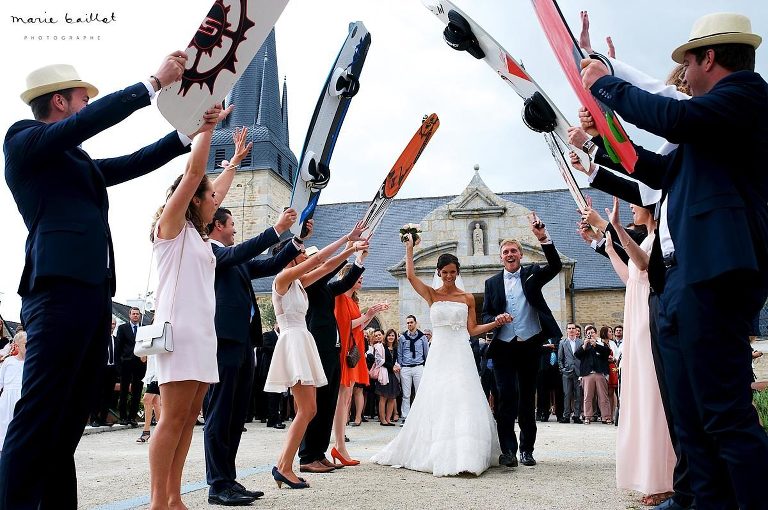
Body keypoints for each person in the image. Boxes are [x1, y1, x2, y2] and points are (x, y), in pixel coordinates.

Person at [581, 12, 768, 509]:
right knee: (689, 416)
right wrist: (600, 139)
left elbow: (674, 117)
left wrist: (608, 86)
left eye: (687, 60)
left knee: (724, 415)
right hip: (682, 279)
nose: (682, 72)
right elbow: (650, 168)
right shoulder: (706, 130)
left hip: (715, 273)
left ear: (710, 57)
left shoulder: (747, 96)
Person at [1, 53, 192, 509]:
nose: (89, 105)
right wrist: (150, 86)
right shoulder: (22, 139)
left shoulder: (75, 160)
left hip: (90, 293)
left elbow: (129, 163)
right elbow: (82, 128)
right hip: (56, 290)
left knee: (67, 417)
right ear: (61, 101)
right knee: (41, 412)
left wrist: (187, 134)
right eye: (84, 98)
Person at [147, 103, 239, 509]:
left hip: (203, 335)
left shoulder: (202, 239)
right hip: (178, 334)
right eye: (209, 197)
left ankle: (174, 496)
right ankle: (156, 501)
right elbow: (195, 174)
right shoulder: (171, 230)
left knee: (188, 421)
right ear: (193, 199)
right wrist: (207, 126)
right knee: (171, 419)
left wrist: (234, 162)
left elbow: (214, 186)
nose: (215, 201)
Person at [203, 130, 303, 505]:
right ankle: (217, 484)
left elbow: (266, 263)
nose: (234, 230)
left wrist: (292, 241)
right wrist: (274, 229)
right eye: (231, 226)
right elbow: (242, 252)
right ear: (218, 226)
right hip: (223, 341)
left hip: (245, 342)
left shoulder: (235, 258)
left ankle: (229, 479)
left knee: (235, 415)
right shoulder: (209, 252)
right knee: (219, 413)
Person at [371, 237, 502, 476]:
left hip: (460, 353)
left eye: (453, 272)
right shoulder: (431, 294)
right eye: (445, 272)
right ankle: (437, 451)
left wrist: (495, 323)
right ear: (439, 272)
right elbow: (410, 277)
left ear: (457, 272)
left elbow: (472, 330)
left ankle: (467, 453)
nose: (449, 276)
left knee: (464, 397)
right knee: (438, 396)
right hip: (440, 354)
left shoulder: (467, 298)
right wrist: (409, 248)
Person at [265, 223, 367, 489]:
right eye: (298, 254)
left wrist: (351, 251)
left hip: (303, 340)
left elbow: (324, 267)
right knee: (308, 408)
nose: (304, 257)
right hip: (293, 340)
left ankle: (283, 465)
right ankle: (285, 466)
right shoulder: (283, 279)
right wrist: (349, 239)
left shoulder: (299, 283)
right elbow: (321, 260)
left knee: (309, 408)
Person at [600, 197, 676, 505]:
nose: (632, 207)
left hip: (649, 320)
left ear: (652, 207)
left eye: (636, 203)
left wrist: (616, 228)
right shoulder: (645, 238)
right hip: (635, 321)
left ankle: (667, 478)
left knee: (654, 396)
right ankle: (649, 475)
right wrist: (608, 249)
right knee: (642, 396)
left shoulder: (660, 239)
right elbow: (631, 278)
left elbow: (645, 264)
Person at [482, 212, 563, 467]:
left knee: (527, 399)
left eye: (513, 251)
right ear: (500, 256)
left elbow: (556, 266)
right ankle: (508, 451)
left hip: (530, 345)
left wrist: (543, 238)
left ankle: (527, 450)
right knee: (506, 398)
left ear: (521, 255)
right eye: (505, 251)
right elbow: (485, 312)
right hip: (504, 347)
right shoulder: (492, 282)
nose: (510, 255)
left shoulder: (532, 273)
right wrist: (497, 319)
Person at [298, 231, 368, 475]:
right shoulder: (307, 284)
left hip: (332, 349)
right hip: (318, 348)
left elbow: (346, 282)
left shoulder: (326, 289)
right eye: (316, 261)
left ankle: (319, 453)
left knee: (327, 403)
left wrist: (359, 259)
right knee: (316, 402)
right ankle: (307, 455)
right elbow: (328, 267)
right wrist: (348, 248)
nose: (321, 264)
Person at [332, 260, 388, 466]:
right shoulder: (339, 297)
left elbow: (357, 325)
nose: (361, 278)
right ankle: (339, 445)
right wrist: (369, 314)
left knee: (346, 398)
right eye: (357, 276)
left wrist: (369, 314)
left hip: (353, 351)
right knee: (342, 398)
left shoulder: (353, 301)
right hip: (345, 351)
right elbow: (343, 324)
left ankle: (340, 444)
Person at [116, 307, 146, 426]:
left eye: (137, 314)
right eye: (133, 314)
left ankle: (132, 417)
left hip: (140, 364)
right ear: (129, 315)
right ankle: (123, 417)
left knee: (137, 391)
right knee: (123, 391)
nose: (135, 316)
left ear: (140, 316)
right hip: (126, 363)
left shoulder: (144, 329)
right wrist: (118, 366)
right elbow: (118, 348)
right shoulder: (122, 328)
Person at [396, 315, 429, 424]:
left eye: (411, 322)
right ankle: (406, 417)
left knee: (419, 393)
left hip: (418, 367)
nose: (409, 324)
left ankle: (420, 416)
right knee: (406, 394)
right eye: (408, 323)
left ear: (415, 323)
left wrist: (425, 366)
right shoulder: (403, 338)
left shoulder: (422, 337)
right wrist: (401, 366)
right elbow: (399, 353)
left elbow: (426, 353)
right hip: (405, 368)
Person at [0, 332, 26, 453]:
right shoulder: (8, 362)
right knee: (5, 423)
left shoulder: (30, 363)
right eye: (25, 345)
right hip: (8, 398)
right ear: (17, 345)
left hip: (22, 397)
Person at [91, 317, 118, 427]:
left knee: (108, 395)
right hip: (101, 369)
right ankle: (94, 418)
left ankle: (103, 418)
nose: (112, 326)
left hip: (112, 370)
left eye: (113, 324)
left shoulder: (115, 339)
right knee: (97, 395)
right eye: (110, 323)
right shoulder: (100, 338)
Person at [558, 323, 583, 424]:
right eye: (569, 328)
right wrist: (562, 369)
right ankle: (566, 415)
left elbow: (584, 357)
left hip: (578, 372)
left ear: (576, 331)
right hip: (567, 372)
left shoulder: (581, 342)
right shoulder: (562, 343)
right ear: (566, 330)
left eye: (573, 328)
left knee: (578, 395)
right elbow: (560, 358)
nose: (572, 330)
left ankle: (577, 415)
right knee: (567, 394)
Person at [375, 329, 401, 425]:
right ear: (386, 337)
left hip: (392, 375)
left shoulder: (395, 348)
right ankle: (383, 420)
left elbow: (396, 361)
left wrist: (397, 366)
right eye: (389, 335)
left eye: (393, 336)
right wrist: (392, 367)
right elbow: (379, 360)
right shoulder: (381, 347)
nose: (391, 337)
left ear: (395, 337)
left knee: (391, 398)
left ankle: (388, 419)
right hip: (384, 374)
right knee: (383, 398)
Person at [137, 355, 161, 444]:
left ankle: (146, 432)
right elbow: (143, 359)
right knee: (155, 403)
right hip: (150, 374)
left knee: (146, 399)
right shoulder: (146, 341)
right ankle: (161, 432)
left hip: (158, 374)